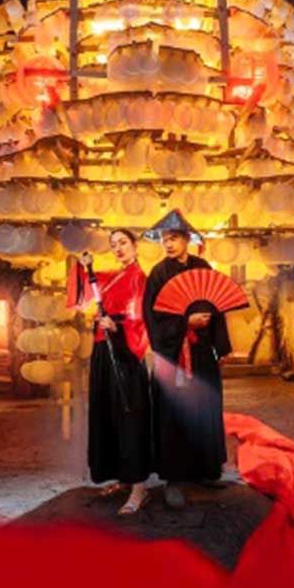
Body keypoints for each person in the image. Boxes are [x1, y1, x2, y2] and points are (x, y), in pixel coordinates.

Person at [142, 210, 231, 509]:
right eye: (165, 239)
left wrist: (221, 347)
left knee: (204, 410)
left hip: (202, 353)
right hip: (174, 356)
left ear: (187, 240)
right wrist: (185, 324)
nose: (168, 244)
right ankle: (174, 479)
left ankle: (204, 470)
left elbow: (218, 304)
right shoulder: (158, 274)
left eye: (174, 238)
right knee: (173, 415)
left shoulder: (203, 267)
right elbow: (152, 318)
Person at [66, 228, 152, 515]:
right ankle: (123, 477)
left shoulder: (140, 279)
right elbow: (87, 284)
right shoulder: (113, 276)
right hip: (103, 350)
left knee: (130, 415)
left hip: (125, 353)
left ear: (135, 246)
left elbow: (142, 320)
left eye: (123, 243)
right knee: (108, 413)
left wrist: (119, 328)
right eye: (113, 244)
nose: (118, 248)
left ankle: (140, 488)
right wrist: (82, 263)